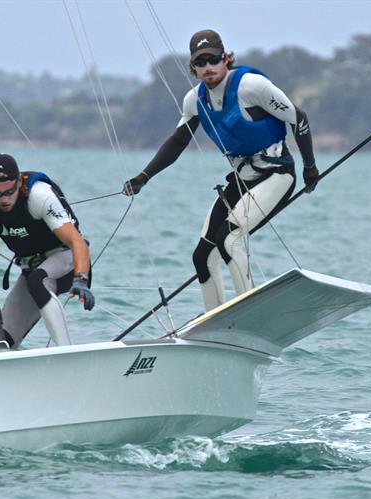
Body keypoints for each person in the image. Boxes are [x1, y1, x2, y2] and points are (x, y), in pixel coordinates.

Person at [123, 29, 319, 310]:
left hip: (277, 174)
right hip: (243, 179)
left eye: (213, 59)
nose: (208, 68)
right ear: (193, 67)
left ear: (226, 58)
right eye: (200, 63)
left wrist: (309, 167)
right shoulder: (194, 100)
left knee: (230, 239)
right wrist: (144, 176)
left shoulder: (251, 86)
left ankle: (249, 313)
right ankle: (214, 322)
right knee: (202, 256)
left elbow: (298, 118)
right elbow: (178, 141)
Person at [0, 153, 94, 348]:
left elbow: (77, 242)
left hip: (67, 261)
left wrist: (81, 279)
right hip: (31, 271)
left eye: (9, 191)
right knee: (2, 342)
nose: (3, 199)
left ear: (19, 182)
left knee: (38, 280)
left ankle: (67, 352)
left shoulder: (39, 196)